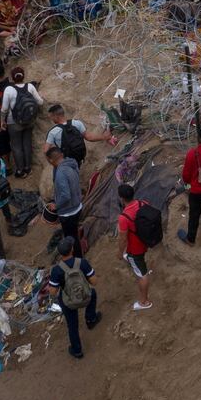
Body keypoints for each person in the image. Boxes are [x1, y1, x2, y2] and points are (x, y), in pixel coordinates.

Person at [41, 237, 100, 359]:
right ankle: (91, 319)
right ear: (72, 249)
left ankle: (77, 350)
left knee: (72, 326)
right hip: (85, 297)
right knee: (93, 293)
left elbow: (52, 292)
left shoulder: (56, 270)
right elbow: (94, 281)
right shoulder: (82, 262)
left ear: (60, 253)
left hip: (69, 303)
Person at [116, 183, 155, 311]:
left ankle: (144, 302)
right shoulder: (143, 203)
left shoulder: (123, 217)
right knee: (138, 261)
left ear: (121, 198)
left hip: (135, 249)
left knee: (142, 274)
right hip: (145, 241)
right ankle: (134, 262)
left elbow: (122, 238)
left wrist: (120, 253)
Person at [1, 69, 43, 178]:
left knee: (16, 146)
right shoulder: (30, 86)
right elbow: (40, 102)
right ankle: (28, 168)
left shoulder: (9, 89)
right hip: (29, 121)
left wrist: (2, 121)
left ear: (12, 77)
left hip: (14, 122)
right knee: (27, 144)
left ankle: (20, 171)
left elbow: (4, 109)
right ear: (23, 76)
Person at [45, 146, 85, 254]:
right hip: (77, 206)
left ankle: (77, 260)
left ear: (51, 160)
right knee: (74, 233)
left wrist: (56, 206)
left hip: (69, 212)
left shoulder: (60, 173)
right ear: (61, 155)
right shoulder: (72, 164)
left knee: (71, 238)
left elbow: (65, 195)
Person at [43, 105, 112, 167]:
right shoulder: (76, 123)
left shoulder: (53, 132)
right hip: (79, 158)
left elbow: (46, 151)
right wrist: (104, 137)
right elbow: (89, 137)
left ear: (56, 116)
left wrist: (55, 165)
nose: (51, 119)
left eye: (51, 117)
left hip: (66, 162)